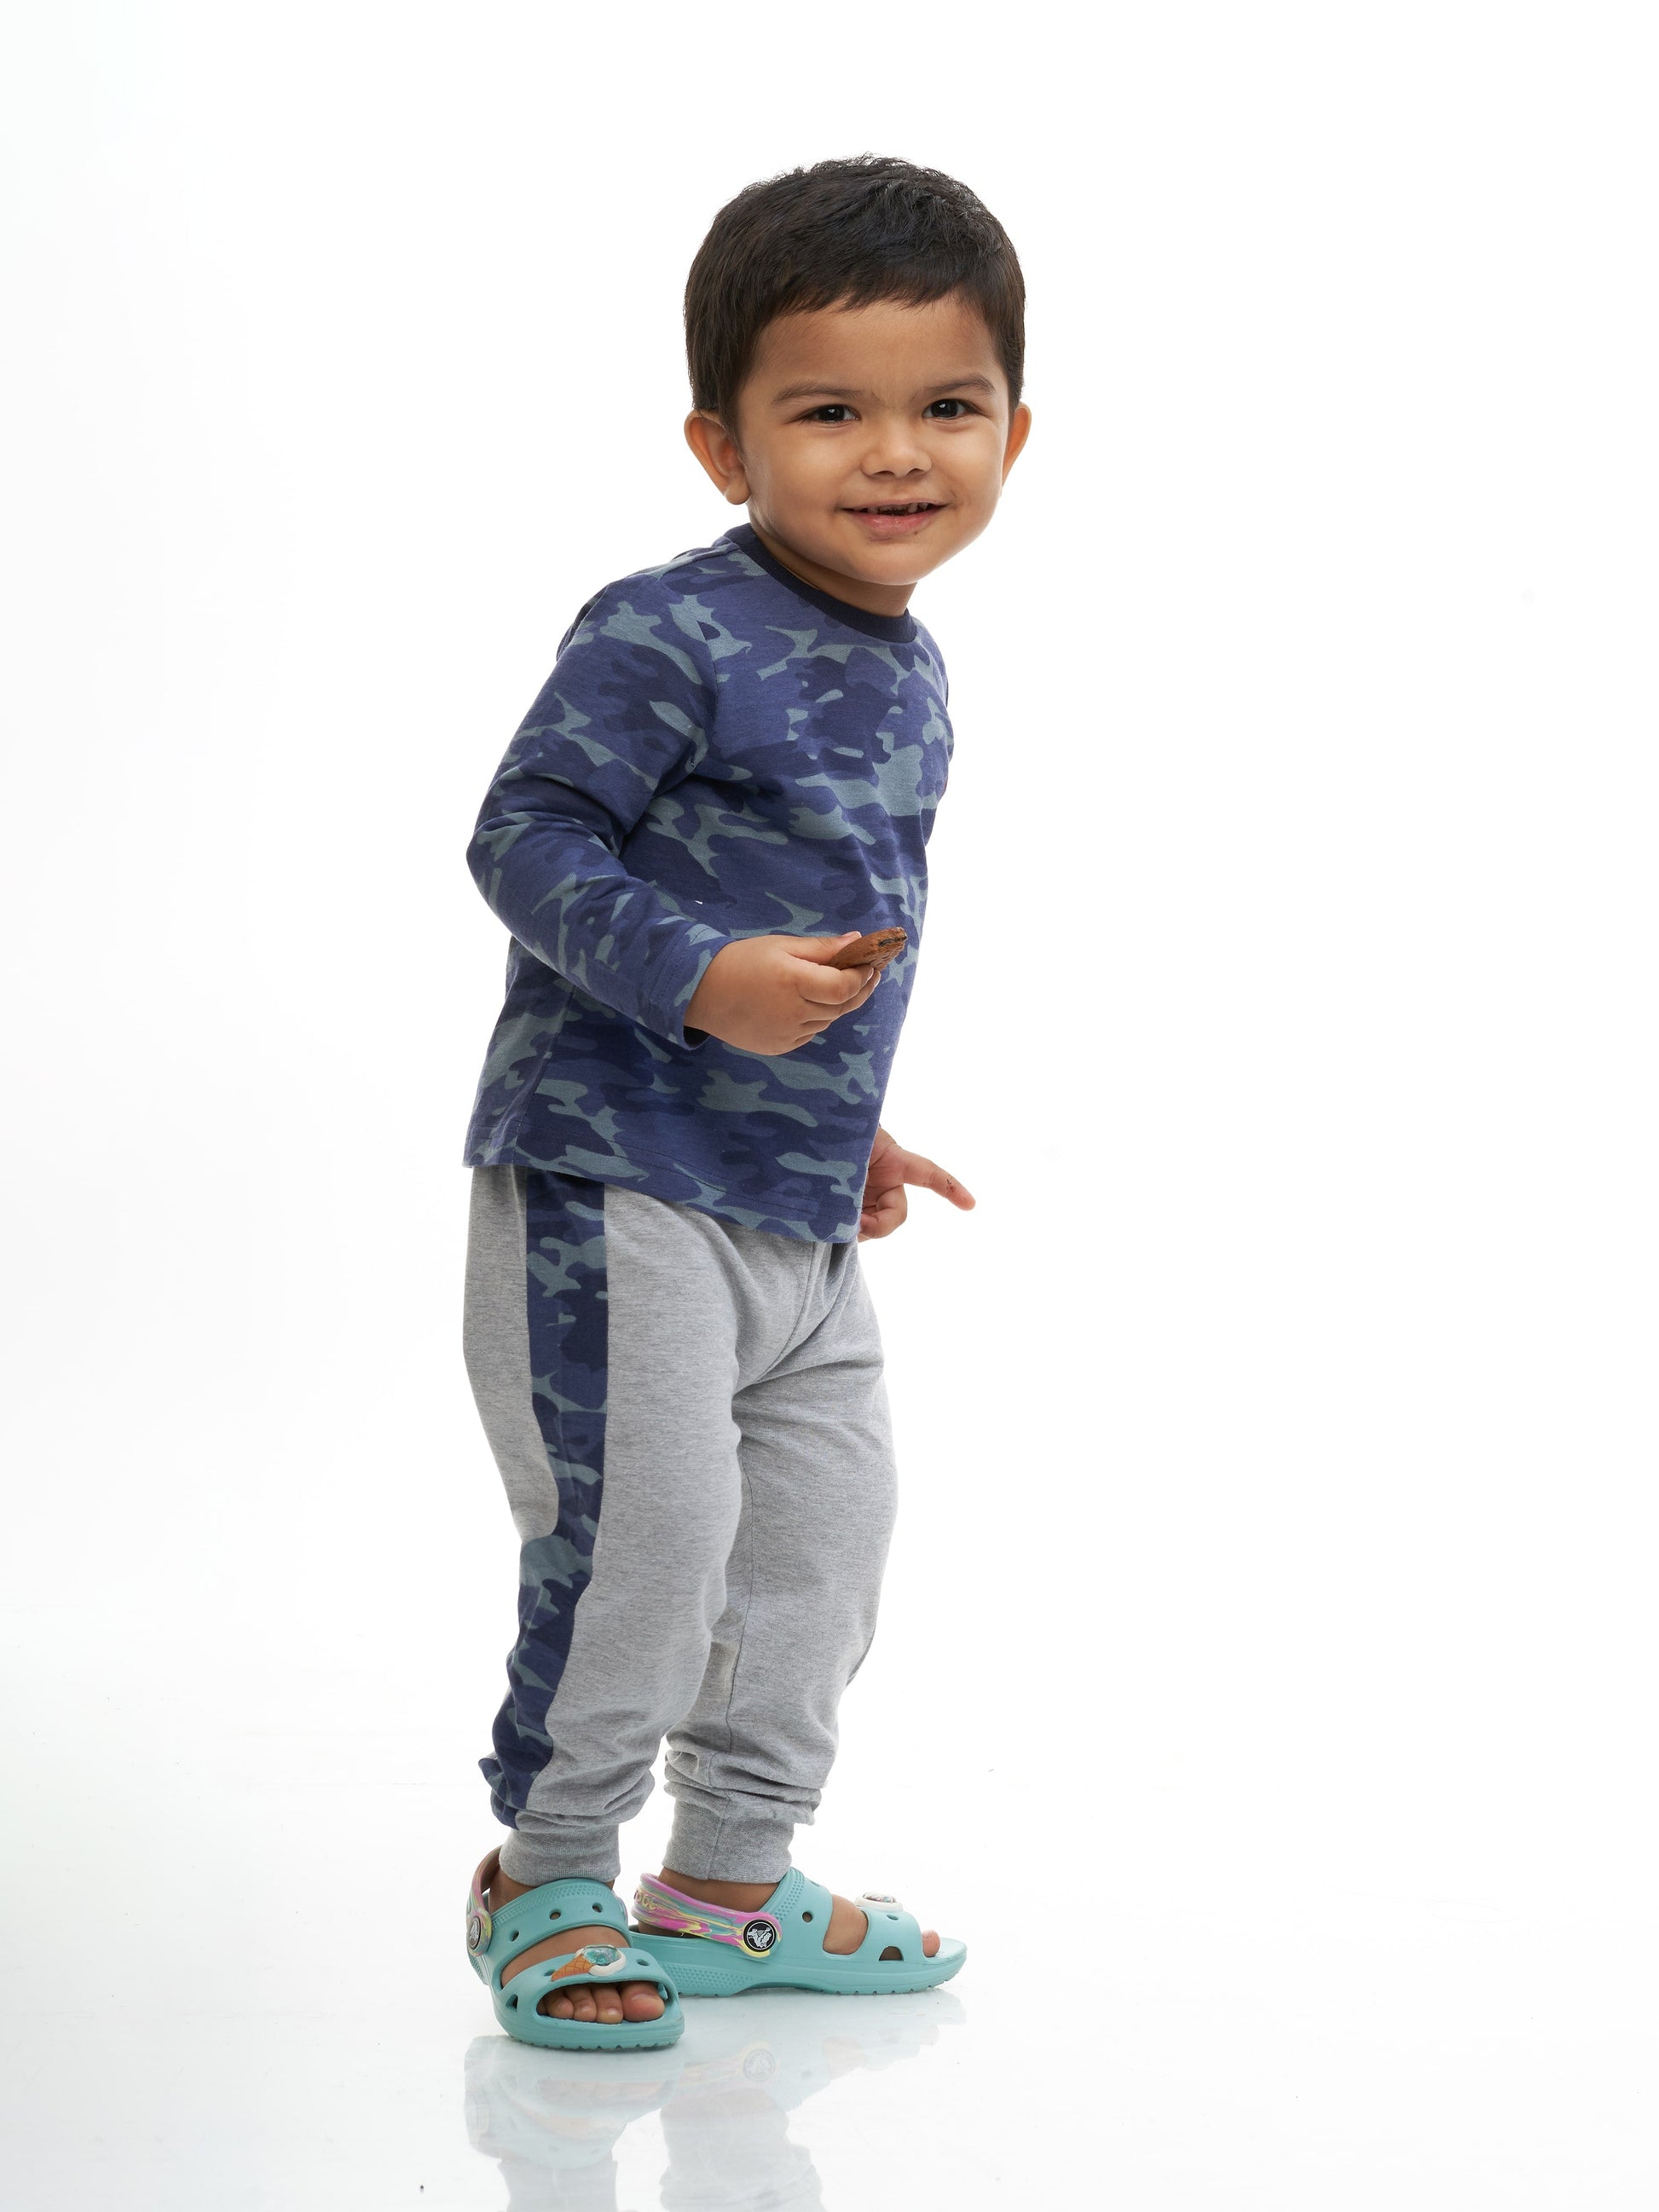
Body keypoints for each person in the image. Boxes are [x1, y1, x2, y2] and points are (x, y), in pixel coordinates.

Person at [460, 153, 1032, 2049]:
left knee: (816, 1554)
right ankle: (546, 1871)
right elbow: (525, 835)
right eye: (828, 411)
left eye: (947, 405)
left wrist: (843, 1126)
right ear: (723, 446)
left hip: (788, 1207)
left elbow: (828, 935)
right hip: (616, 1182)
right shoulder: (667, 628)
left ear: (1015, 431)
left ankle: (724, 1877)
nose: (897, 452)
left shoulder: (911, 662)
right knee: (643, 1547)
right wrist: (697, 978)